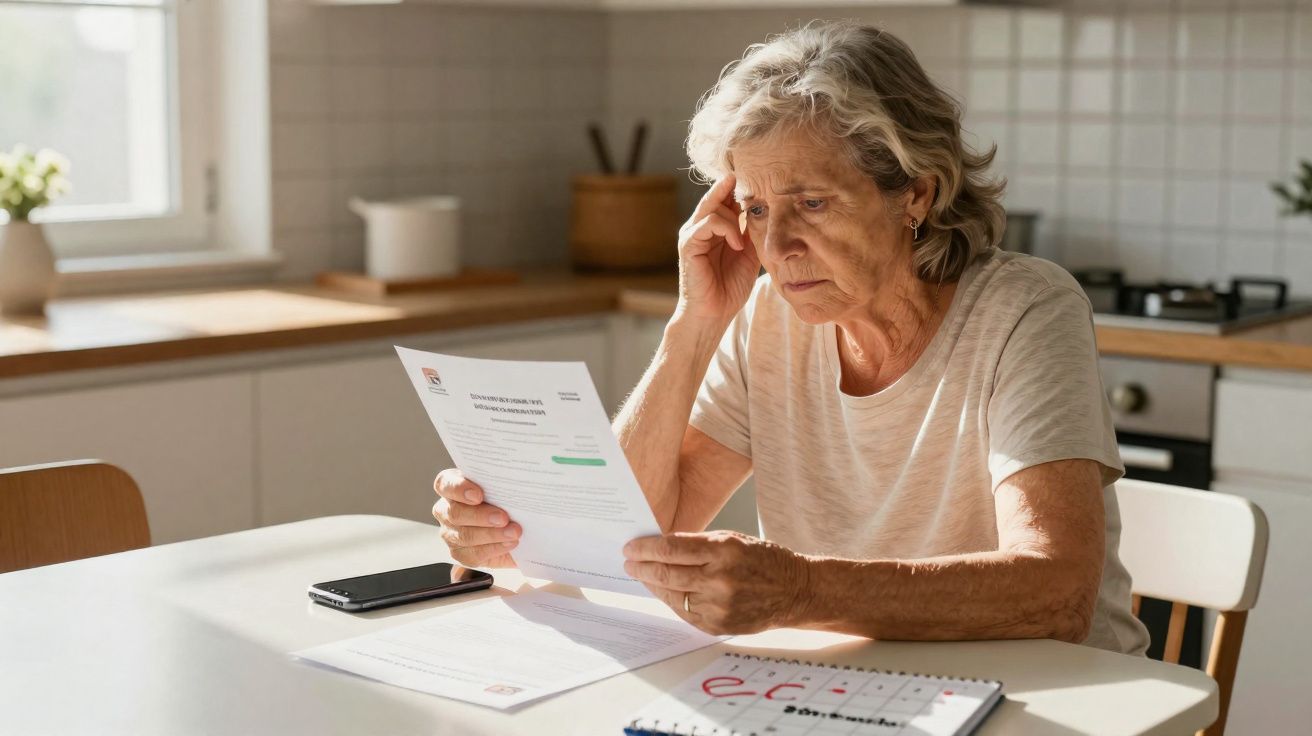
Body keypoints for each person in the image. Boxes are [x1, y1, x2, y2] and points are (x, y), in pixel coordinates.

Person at [431, 20, 1150, 655]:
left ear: (918, 193)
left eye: (810, 203)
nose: (777, 245)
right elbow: (632, 537)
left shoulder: (1025, 308)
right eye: (754, 208)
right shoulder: (768, 316)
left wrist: (802, 589)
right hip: (866, 688)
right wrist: (695, 325)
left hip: (1055, 698)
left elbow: (1056, 591)